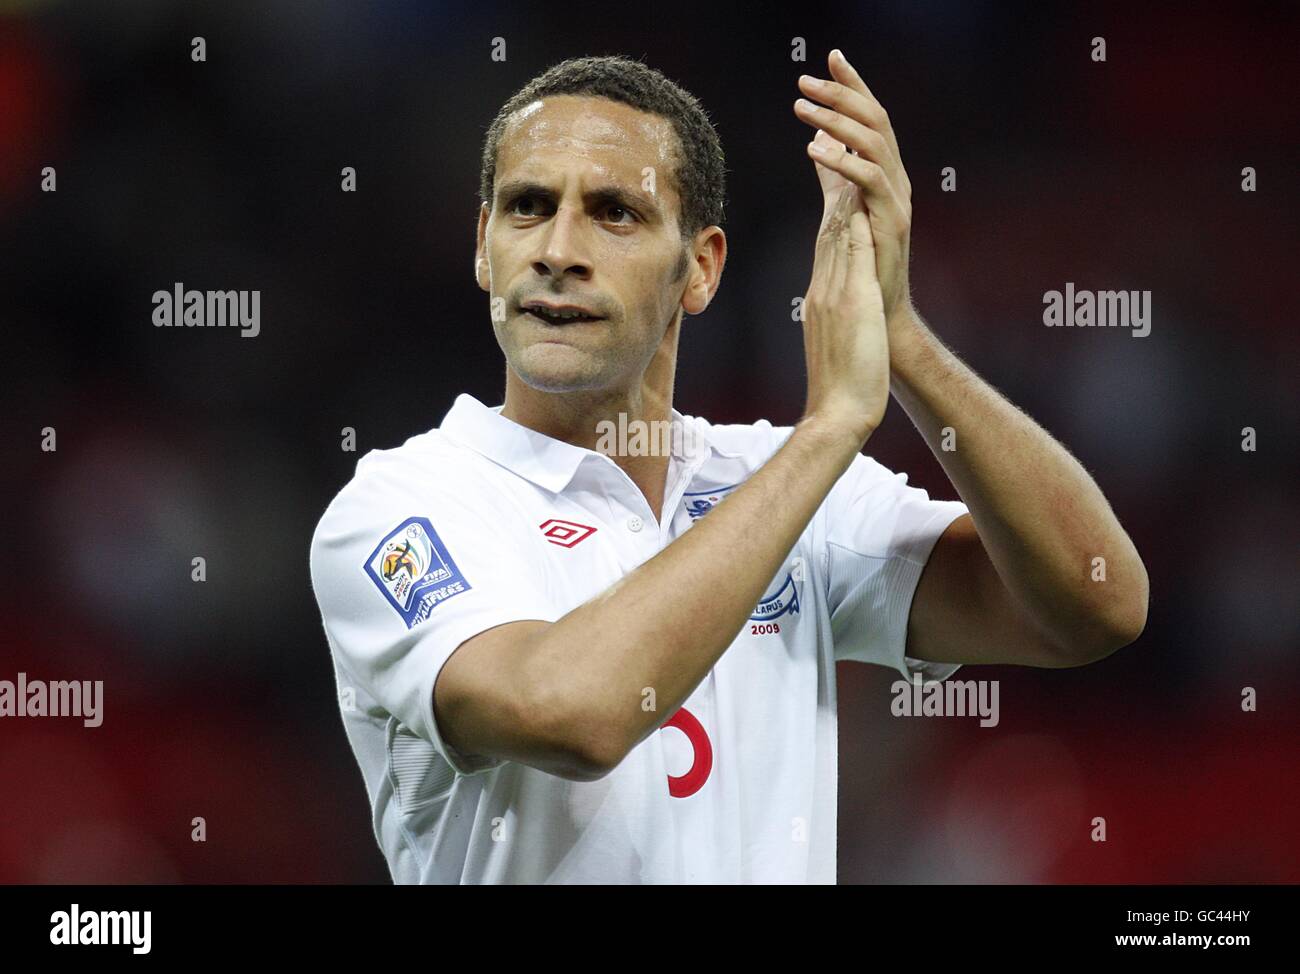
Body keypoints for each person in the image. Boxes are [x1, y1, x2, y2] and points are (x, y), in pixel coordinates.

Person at [309, 50, 1148, 883]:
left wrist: (901, 337)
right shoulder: (402, 506)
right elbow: (571, 715)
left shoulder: (776, 482)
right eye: (528, 207)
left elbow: (1095, 603)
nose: (558, 249)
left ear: (700, 268)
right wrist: (826, 432)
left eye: (614, 213)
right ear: (485, 248)